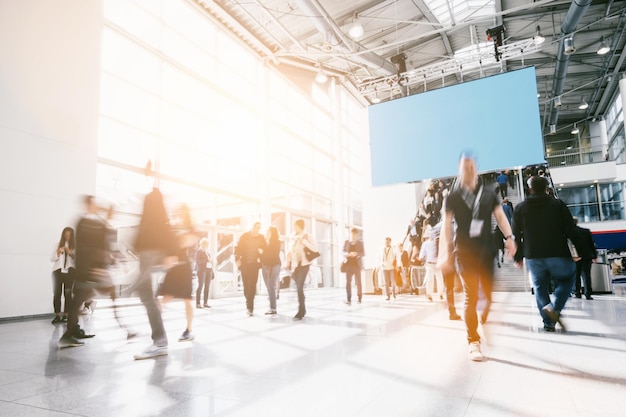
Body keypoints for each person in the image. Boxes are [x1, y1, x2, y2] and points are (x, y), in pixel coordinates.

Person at [438, 153, 516, 361]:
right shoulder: (452, 197)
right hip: (464, 252)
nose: (469, 169)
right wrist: (447, 252)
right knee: (471, 295)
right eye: (465, 166)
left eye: (471, 166)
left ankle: (484, 314)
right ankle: (473, 341)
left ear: (477, 169)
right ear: (459, 170)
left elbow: (500, 216)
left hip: (486, 250)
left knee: (488, 294)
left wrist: (509, 237)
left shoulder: (489, 193)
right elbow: (447, 225)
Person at [513, 176, 582, 332]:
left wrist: (518, 256)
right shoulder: (558, 205)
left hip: (533, 255)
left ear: (529, 189)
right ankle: (555, 310)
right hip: (558, 252)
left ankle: (548, 320)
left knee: (539, 287)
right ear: (547, 188)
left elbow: (516, 235)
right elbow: (571, 229)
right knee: (567, 279)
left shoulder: (520, 208)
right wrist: (580, 250)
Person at [132, 189, 178, 360]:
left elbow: (165, 233)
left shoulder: (154, 220)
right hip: (148, 256)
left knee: (145, 295)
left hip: (150, 255)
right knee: (146, 298)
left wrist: (171, 253)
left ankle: (160, 341)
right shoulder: (156, 219)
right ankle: (159, 341)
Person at [158, 204, 197, 342]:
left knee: (187, 300)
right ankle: (157, 329)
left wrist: (177, 243)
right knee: (164, 298)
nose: (177, 213)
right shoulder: (173, 226)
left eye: (180, 211)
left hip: (183, 266)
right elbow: (168, 244)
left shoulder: (189, 227)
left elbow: (188, 241)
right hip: (173, 267)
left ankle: (188, 330)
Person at [286, 219, 318, 320]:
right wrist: (287, 263)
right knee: (299, 287)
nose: (293, 227)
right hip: (295, 265)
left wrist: (305, 242)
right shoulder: (293, 237)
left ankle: (300, 311)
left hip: (304, 264)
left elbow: (315, 248)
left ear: (300, 226)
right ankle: (303, 307)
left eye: (295, 226)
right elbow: (290, 251)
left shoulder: (307, 236)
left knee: (299, 286)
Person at [235, 222, 266, 316]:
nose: (258, 230)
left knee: (252, 285)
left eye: (259, 228)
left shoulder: (261, 237)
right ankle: (248, 301)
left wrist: (261, 255)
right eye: (256, 227)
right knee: (246, 286)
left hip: (254, 265)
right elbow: (237, 248)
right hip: (245, 264)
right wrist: (237, 259)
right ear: (252, 227)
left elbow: (264, 249)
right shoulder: (244, 236)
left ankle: (250, 308)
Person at [50, 227, 76, 324]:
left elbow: (77, 261)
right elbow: (52, 259)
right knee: (57, 294)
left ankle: (66, 315)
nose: (67, 237)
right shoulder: (57, 245)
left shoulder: (75, 246)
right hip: (58, 271)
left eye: (69, 235)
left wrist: (70, 253)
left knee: (68, 294)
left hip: (70, 272)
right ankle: (57, 315)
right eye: (65, 234)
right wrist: (57, 253)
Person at [572, 216, 598, 300]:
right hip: (587, 256)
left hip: (575, 257)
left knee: (576, 276)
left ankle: (577, 293)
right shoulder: (586, 231)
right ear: (577, 222)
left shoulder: (569, 233)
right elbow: (591, 245)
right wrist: (594, 256)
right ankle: (588, 294)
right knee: (586, 275)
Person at [418, 229, 444, 302]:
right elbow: (422, 253)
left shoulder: (438, 242)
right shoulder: (425, 244)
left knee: (439, 279)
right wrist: (420, 257)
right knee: (430, 279)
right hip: (430, 264)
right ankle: (429, 295)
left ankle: (440, 293)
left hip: (438, 263)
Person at [261, 226, 281, 315]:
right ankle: (272, 307)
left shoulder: (277, 242)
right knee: (268, 286)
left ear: (272, 233)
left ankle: (273, 308)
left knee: (270, 285)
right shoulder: (263, 242)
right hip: (265, 265)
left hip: (275, 265)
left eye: (268, 232)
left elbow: (274, 253)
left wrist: (263, 252)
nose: (267, 233)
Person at [343, 228, 364, 305]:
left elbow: (363, 253)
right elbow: (343, 251)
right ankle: (349, 299)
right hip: (348, 265)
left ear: (357, 235)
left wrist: (356, 254)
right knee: (348, 282)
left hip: (357, 265)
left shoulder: (360, 243)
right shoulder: (347, 242)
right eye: (352, 234)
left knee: (358, 282)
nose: (353, 236)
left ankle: (359, 298)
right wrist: (347, 254)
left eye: (355, 234)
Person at [195, 237, 213, 309]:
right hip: (202, 271)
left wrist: (212, 272)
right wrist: (207, 259)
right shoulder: (198, 251)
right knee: (200, 286)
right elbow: (198, 262)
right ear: (202, 244)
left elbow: (209, 262)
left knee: (207, 287)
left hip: (209, 270)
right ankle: (198, 303)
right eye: (205, 244)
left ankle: (205, 303)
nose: (206, 246)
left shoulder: (207, 252)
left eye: (207, 245)